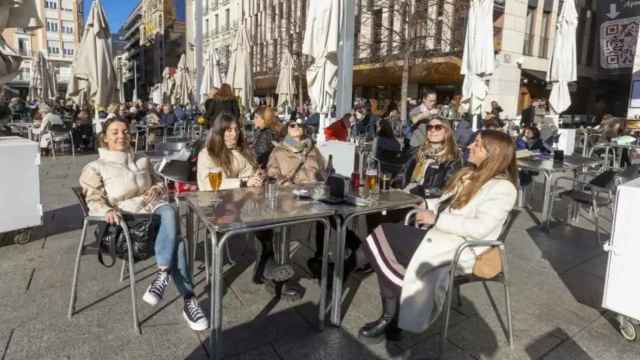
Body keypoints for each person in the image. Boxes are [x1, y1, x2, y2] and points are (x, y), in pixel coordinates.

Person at [358, 130, 518, 343]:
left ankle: (385, 308)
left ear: (493, 153)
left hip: (462, 248)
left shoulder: (503, 188)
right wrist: (426, 205)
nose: (469, 145)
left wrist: (436, 219)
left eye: (477, 144)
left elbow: (480, 228)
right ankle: (391, 315)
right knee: (383, 240)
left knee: (382, 236)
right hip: (442, 237)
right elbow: (447, 205)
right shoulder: (471, 174)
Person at [78, 117, 208, 331]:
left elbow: (159, 182)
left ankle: (167, 278)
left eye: (125, 131)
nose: (122, 136)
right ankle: (186, 297)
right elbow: (93, 199)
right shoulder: (95, 167)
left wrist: (156, 189)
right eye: (115, 132)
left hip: (154, 218)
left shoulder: (142, 160)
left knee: (169, 214)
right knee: (178, 239)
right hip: (128, 228)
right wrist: (107, 210)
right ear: (105, 138)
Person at [402, 116, 461, 202]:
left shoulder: (453, 157)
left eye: (438, 127)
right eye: (429, 127)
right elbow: (403, 173)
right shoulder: (418, 151)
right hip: (407, 195)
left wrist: (420, 192)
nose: (432, 130)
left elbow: (448, 188)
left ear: (446, 131)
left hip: (430, 202)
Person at [267, 118, 326, 185]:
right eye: (292, 126)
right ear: (286, 131)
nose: (297, 127)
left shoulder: (313, 149)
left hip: (313, 191)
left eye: (299, 125)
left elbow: (324, 169)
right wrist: (284, 182)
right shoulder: (278, 151)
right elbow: (272, 173)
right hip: (290, 192)